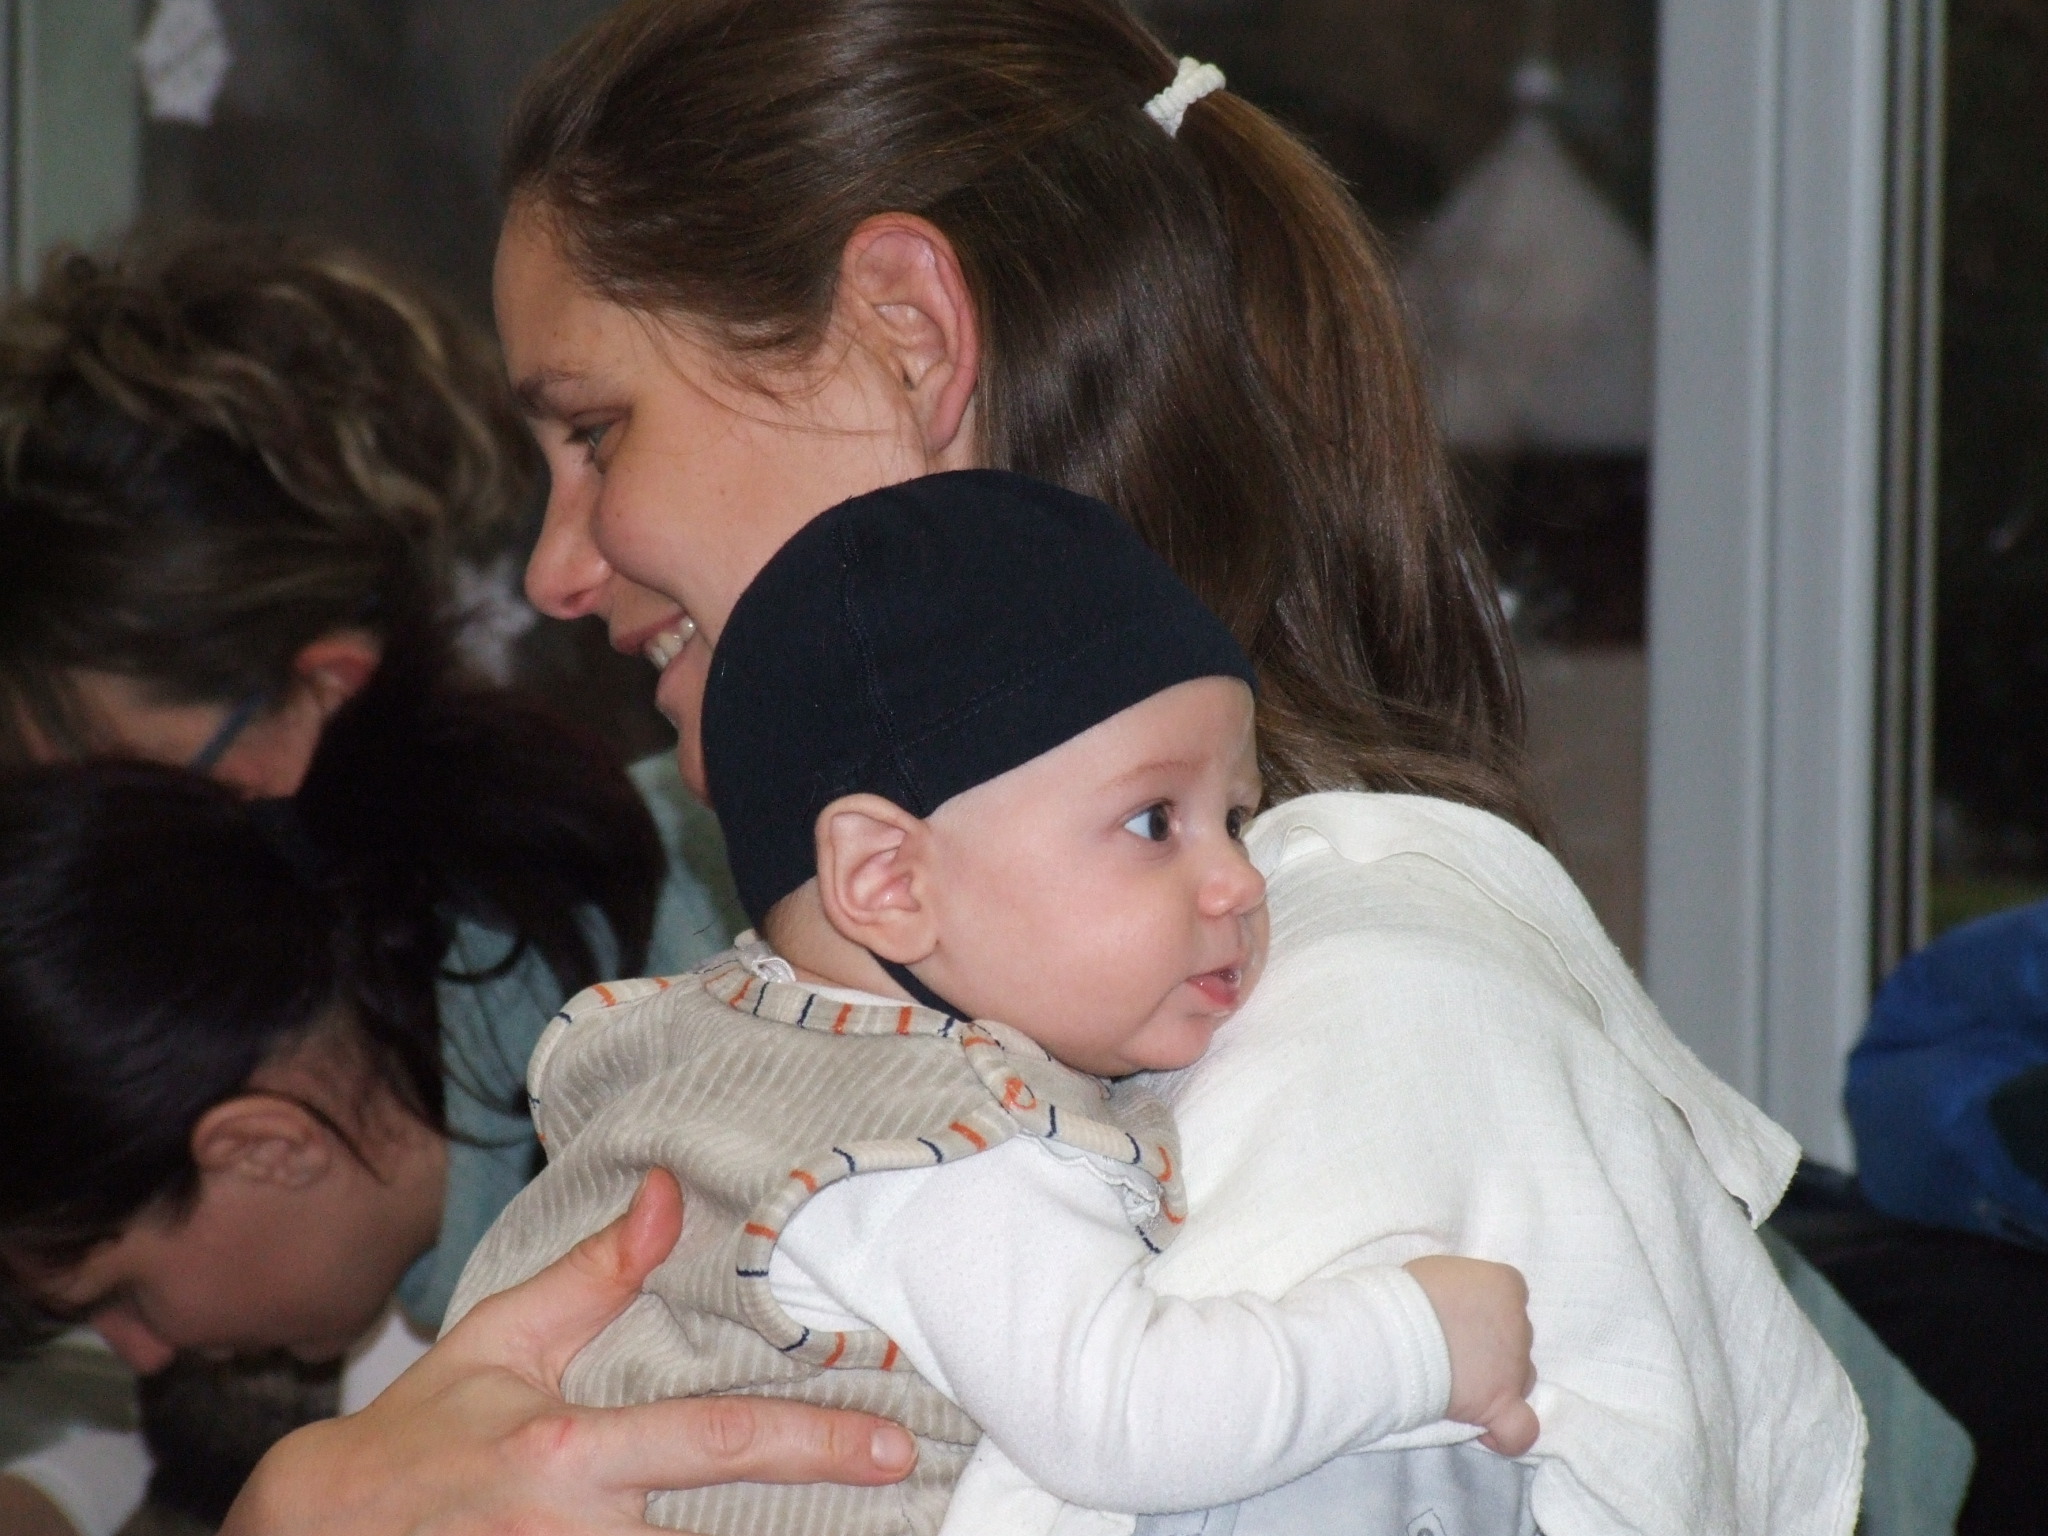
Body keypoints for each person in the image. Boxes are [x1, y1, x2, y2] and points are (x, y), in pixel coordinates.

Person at [222, 1, 1862, 1527]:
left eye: (597, 433)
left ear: (907, 338)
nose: (556, 570)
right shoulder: (898, 1002)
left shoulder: (1352, 1042)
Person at [447, 471, 1540, 1536]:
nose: (1240, 884)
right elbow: (1127, 1418)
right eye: (1154, 822)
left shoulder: (698, 1054)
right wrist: (1418, 1338)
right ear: (889, 881)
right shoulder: (937, 1148)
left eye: (1237, 820)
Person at [0, 229, 749, 1535]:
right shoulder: (434, 1153)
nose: (100, 874)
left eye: (134, 794)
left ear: (326, 694)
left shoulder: (672, 1031)